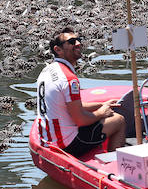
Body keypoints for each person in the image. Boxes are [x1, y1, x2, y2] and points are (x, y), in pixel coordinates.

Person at [36, 27, 125, 157]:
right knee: (118, 120)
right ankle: (115, 166)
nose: (78, 43)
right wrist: (102, 112)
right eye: (71, 42)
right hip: (66, 145)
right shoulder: (69, 79)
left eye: (78, 40)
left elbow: (70, 106)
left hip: (48, 139)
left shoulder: (47, 70)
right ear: (58, 50)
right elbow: (81, 120)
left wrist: (101, 104)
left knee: (102, 116)